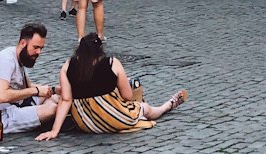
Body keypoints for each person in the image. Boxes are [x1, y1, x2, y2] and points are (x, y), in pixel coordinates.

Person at [36, 33, 188, 139]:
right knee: (144, 107)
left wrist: (54, 131)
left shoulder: (67, 66)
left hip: (86, 123)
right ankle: (167, 106)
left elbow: (66, 100)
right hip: (114, 116)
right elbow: (127, 96)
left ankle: (151, 106)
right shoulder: (112, 63)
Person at [0, 22, 59, 136]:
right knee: (52, 109)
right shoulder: (6, 60)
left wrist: (52, 89)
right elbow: (2, 96)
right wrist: (37, 91)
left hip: (15, 106)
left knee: (57, 97)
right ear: (23, 43)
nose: (39, 52)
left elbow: (25, 87)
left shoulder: (20, 57)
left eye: (41, 48)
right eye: (36, 47)